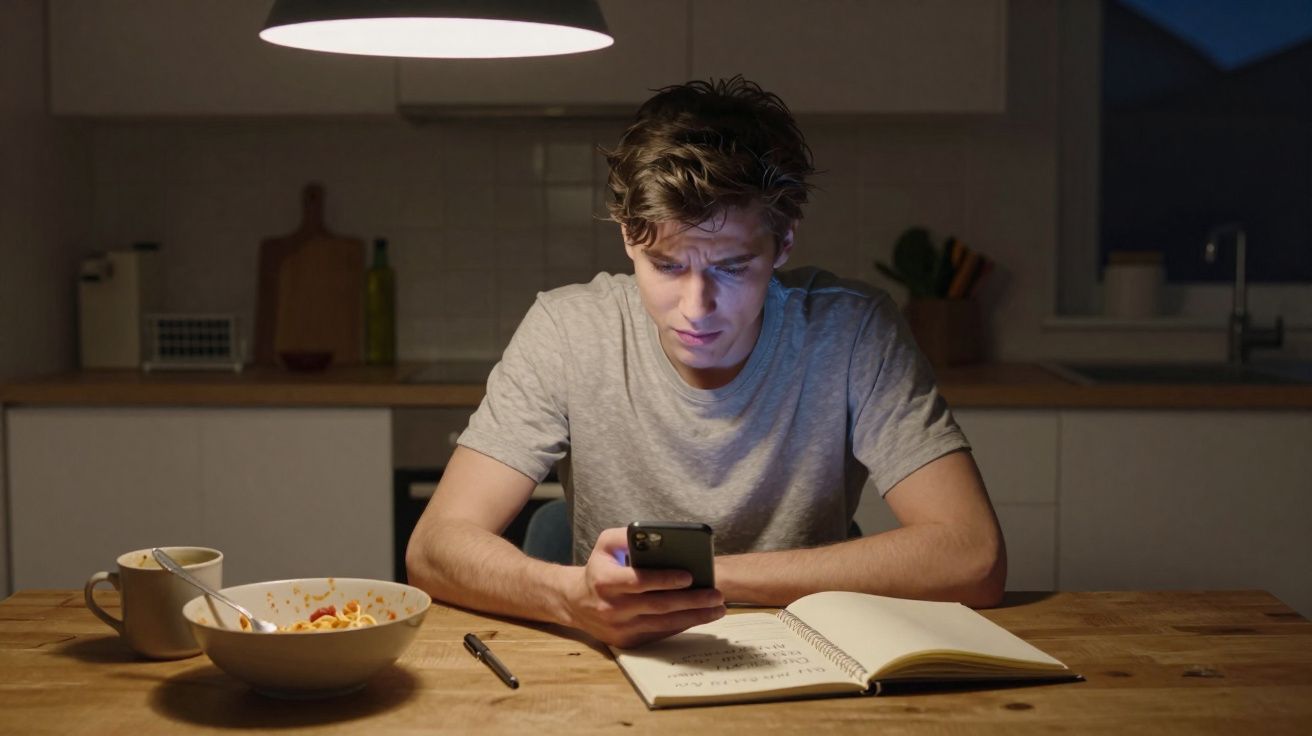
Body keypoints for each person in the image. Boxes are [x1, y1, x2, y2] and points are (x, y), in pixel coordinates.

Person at [406, 77, 1006, 649]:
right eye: (667, 266)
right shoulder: (568, 330)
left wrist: (708, 577)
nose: (697, 308)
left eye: (733, 267)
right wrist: (569, 596)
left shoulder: (851, 330)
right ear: (627, 236)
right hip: (616, 657)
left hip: (815, 649)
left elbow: (973, 556)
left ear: (785, 242)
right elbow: (433, 548)